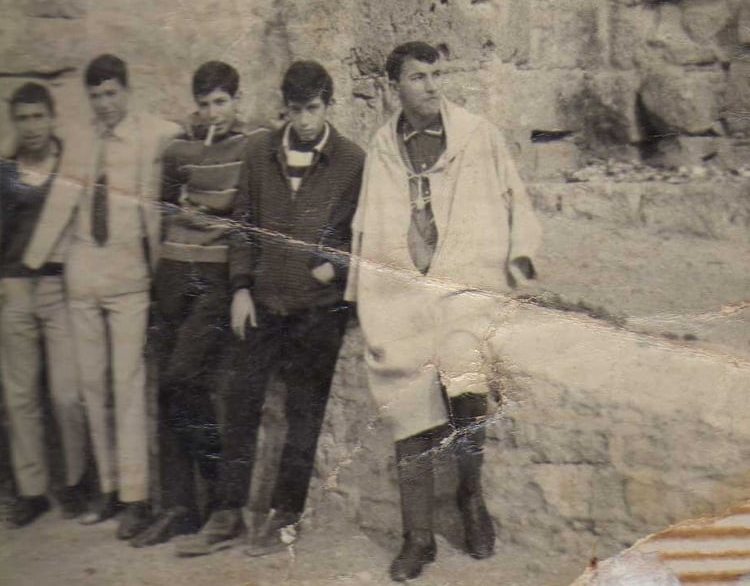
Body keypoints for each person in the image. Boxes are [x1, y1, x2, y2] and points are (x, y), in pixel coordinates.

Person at [345, 42, 542, 581]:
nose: (431, 85)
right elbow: (367, 224)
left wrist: (520, 256)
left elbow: (514, 197)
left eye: (436, 74)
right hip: (403, 291)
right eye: (418, 77)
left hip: (464, 283)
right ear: (394, 87)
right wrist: (362, 295)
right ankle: (418, 536)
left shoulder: (476, 135)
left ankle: (471, 500)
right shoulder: (383, 147)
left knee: (466, 388)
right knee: (406, 399)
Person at [175, 60, 365, 557]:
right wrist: (241, 287)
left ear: (329, 105)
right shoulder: (261, 151)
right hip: (263, 302)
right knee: (240, 404)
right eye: (296, 110)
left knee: (304, 413)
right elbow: (243, 224)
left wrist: (330, 269)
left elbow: (361, 232)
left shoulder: (352, 160)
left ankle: (285, 515)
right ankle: (226, 513)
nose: (304, 121)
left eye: (313, 109)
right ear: (285, 107)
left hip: (318, 310)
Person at [23, 54, 180, 539]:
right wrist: (32, 262)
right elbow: (60, 203)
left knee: (127, 386)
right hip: (83, 278)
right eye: (96, 95)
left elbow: (180, 134)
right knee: (92, 387)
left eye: (112, 93)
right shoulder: (80, 139)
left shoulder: (150, 134)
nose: (104, 103)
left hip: (129, 278)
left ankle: (135, 497)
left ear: (126, 91)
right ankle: (108, 488)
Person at [130, 61, 268, 548]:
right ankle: (178, 507)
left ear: (236, 100)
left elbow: (253, 213)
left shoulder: (253, 144)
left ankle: (222, 492)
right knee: (165, 388)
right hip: (172, 269)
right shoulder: (177, 149)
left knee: (183, 378)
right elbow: (165, 208)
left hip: (215, 274)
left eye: (221, 102)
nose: (213, 113)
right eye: (205, 104)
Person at [0, 82, 87, 527]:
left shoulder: (71, 163)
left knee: (67, 393)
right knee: (20, 396)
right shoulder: (4, 171)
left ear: (52, 118)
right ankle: (32, 491)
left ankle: (76, 481)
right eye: (23, 118)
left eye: (38, 116)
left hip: (58, 286)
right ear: (13, 123)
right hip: (13, 286)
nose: (32, 126)